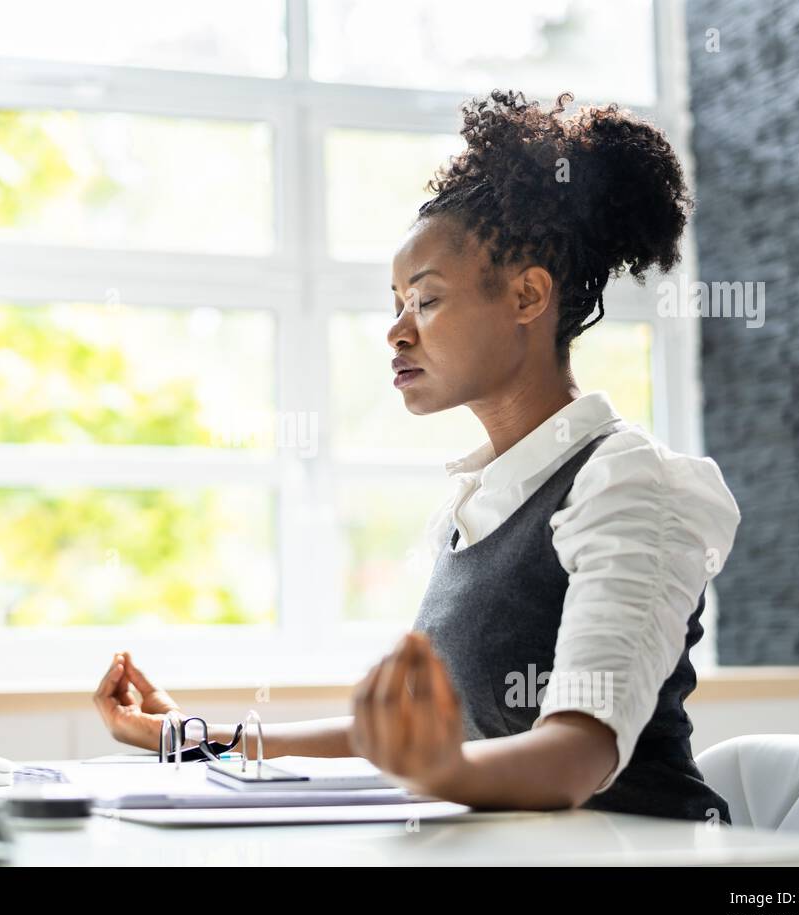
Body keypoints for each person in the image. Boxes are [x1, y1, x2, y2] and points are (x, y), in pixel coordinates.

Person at [94, 90, 740, 822]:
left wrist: (439, 769)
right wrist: (195, 738)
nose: (397, 331)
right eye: (395, 302)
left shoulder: (631, 486)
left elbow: (574, 757)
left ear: (528, 295)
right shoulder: (476, 503)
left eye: (426, 301)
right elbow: (401, 739)